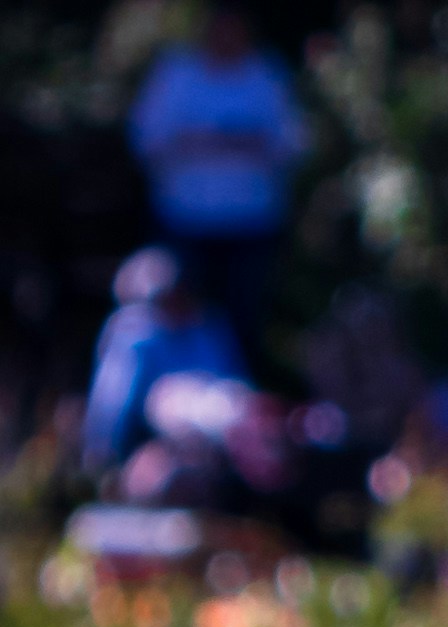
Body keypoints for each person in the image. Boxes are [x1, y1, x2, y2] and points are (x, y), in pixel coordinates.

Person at [128, 9, 310, 343]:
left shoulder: (267, 74)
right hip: (183, 219)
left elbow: (295, 144)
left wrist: (248, 143)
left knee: (243, 320)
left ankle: (240, 389)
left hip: (251, 222)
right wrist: (195, 141)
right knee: (178, 319)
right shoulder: (176, 73)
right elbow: (144, 139)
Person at [81, 248, 244, 471]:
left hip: (218, 445)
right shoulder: (134, 335)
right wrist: (104, 458)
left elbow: (235, 390)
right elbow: (111, 405)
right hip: (151, 447)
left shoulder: (209, 326)